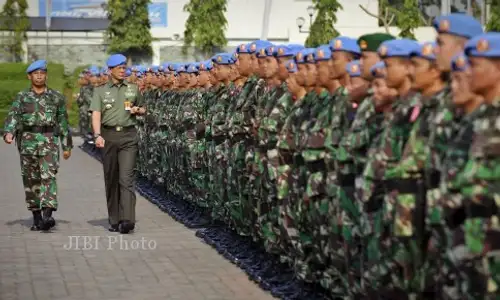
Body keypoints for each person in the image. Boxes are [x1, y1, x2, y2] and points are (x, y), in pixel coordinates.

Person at [2, 59, 72, 231]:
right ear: (30, 76)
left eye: (42, 74)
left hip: (49, 141)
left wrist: (67, 145)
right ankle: (36, 216)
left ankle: (47, 215)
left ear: (46, 75)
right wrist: (9, 132)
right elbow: (13, 117)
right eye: (36, 74)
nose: (39, 77)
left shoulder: (56, 97)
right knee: (31, 180)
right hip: (27, 142)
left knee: (49, 177)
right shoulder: (22, 97)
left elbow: (63, 121)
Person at [89, 54, 146, 234]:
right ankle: (114, 219)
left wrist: (139, 110)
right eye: (119, 68)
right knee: (112, 178)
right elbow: (96, 113)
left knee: (126, 178)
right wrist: (97, 134)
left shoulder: (133, 89)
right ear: (110, 70)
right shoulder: (100, 91)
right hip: (108, 136)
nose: (123, 70)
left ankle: (127, 219)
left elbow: (143, 108)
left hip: (129, 136)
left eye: (124, 67)